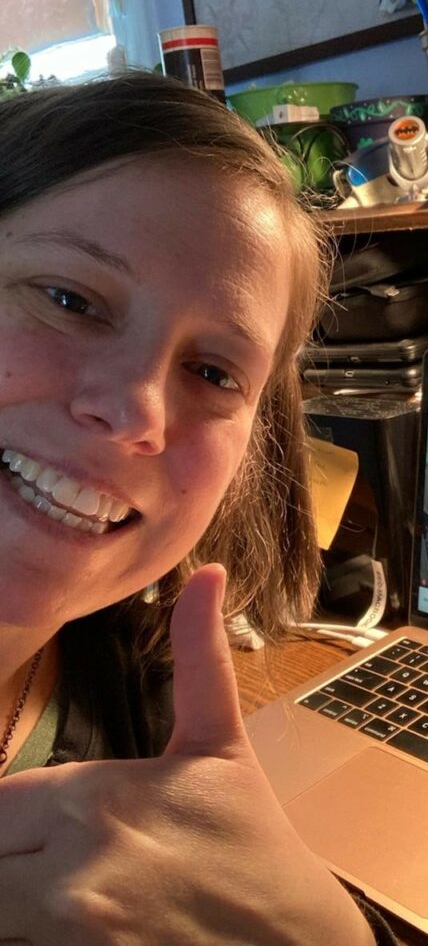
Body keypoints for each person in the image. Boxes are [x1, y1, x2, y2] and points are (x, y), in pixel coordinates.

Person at [0, 74, 394, 944]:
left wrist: (330, 934)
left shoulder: (143, 690)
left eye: (214, 373)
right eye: (69, 300)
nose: (139, 411)